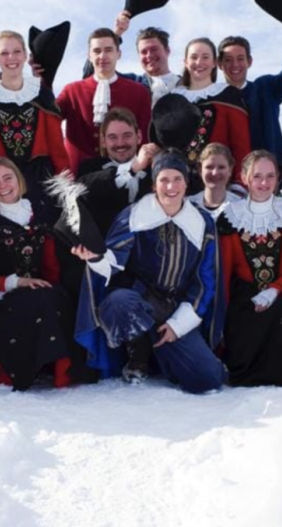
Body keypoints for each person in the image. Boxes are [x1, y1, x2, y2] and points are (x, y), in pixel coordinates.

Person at [73, 151, 225, 393]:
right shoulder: (135, 215)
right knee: (118, 302)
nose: (171, 186)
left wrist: (178, 325)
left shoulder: (202, 223)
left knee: (207, 380)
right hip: (140, 300)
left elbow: (205, 283)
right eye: (164, 180)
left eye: (177, 179)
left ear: (187, 182)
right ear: (154, 185)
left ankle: (165, 351)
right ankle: (138, 353)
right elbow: (114, 261)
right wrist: (96, 258)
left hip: (177, 309)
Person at [0, 158, 83, 390]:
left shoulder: (38, 214)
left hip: (36, 291)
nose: (3, 186)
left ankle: (56, 366)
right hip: (0, 297)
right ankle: (27, 366)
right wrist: (18, 282)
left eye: (7, 178)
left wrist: (50, 286)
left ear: (19, 180)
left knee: (58, 296)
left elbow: (51, 265)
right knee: (38, 299)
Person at [219, 150, 282, 387]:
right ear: (244, 178)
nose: (264, 183)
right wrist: (220, 318)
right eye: (257, 176)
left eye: (270, 176)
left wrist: (275, 289)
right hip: (246, 296)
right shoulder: (230, 218)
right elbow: (223, 271)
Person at [0, 30, 69, 192]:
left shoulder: (41, 95)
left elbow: (57, 149)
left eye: (17, 51)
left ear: (25, 55)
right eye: (4, 53)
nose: (11, 58)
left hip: (42, 183)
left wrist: (67, 188)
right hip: (2, 186)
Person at [218, 11, 282, 167]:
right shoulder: (213, 98)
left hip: (273, 178)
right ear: (220, 64)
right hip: (231, 183)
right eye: (228, 60)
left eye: (240, 59)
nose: (235, 65)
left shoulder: (265, 88)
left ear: (250, 61)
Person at [57, 28, 152, 174]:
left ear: (118, 54)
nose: (102, 56)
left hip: (126, 174)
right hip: (78, 176)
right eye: (97, 51)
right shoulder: (71, 91)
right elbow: (48, 119)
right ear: (89, 55)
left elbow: (144, 136)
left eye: (108, 50)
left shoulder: (140, 92)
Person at [75, 107, 159, 235]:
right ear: (103, 141)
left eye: (127, 135)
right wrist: (132, 168)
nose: (120, 143)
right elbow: (82, 189)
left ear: (139, 136)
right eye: (113, 137)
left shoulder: (155, 168)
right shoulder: (89, 168)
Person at [171, 38, 252, 168]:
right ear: (186, 62)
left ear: (214, 62)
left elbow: (241, 144)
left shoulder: (227, 94)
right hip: (177, 179)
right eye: (194, 57)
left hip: (217, 178)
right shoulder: (174, 97)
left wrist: (238, 182)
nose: (199, 62)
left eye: (205, 57)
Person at [188, 143, 244, 221]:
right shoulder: (187, 206)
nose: (215, 173)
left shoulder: (243, 208)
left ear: (230, 170)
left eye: (221, 167)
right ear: (200, 170)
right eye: (209, 167)